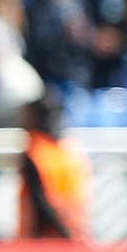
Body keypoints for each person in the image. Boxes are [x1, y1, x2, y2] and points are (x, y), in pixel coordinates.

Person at [18, 95, 91, 240]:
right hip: (61, 235)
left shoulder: (42, 150)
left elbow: (41, 201)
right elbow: (39, 200)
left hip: (57, 235)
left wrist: (67, 231)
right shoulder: (66, 149)